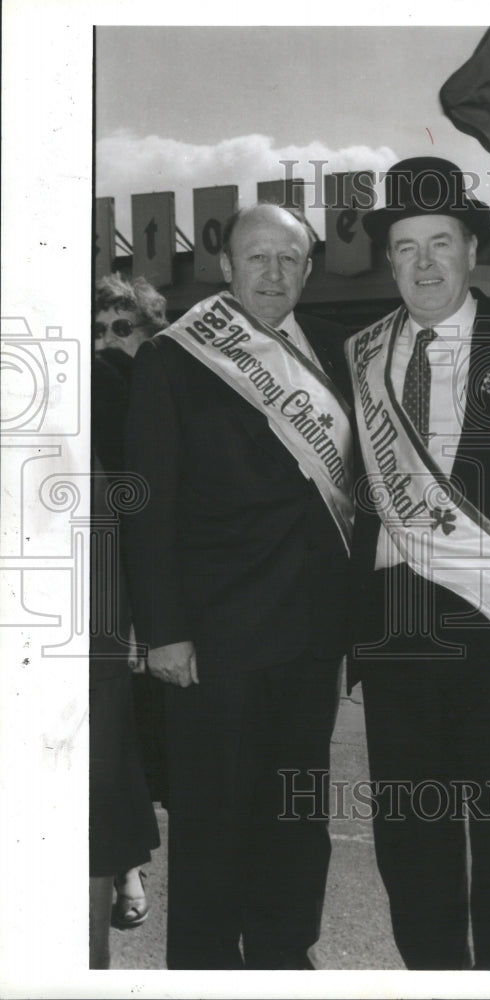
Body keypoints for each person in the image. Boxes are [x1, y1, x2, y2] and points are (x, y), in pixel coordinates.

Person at [123, 203, 354, 969]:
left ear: (308, 270)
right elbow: (147, 504)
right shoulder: (173, 357)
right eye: (257, 258)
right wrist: (161, 630)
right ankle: (205, 970)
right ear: (224, 266)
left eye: (289, 260)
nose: (273, 274)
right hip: (213, 641)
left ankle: (287, 958)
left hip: (311, 639)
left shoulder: (330, 354)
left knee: (298, 816)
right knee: (213, 825)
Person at [346, 157, 490, 970]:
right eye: (405, 248)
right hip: (398, 631)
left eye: (441, 243)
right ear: (388, 260)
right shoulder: (361, 353)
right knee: (410, 840)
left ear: (473, 251)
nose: (424, 264)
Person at [91, 273, 170, 935]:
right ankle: (126, 869)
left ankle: (128, 866)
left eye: (122, 329)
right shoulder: (93, 396)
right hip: (101, 590)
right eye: (97, 330)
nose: (107, 342)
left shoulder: (172, 395)